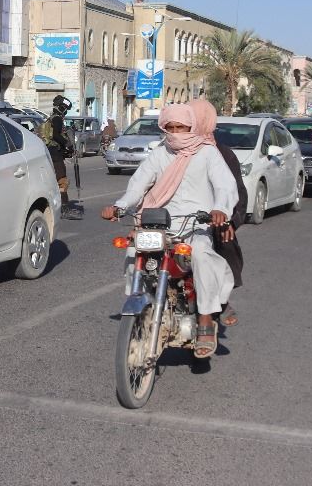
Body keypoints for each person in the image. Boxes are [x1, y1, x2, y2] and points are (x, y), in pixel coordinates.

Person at [100, 100, 238, 359]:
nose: (176, 133)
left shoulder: (207, 153)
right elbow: (139, 183)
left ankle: (206, 320)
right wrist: (119, 207)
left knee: (200, 255)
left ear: (192, 127)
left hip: (196, 223)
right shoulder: (160, 152)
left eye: (182, 127)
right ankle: (139, 304)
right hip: (159, 222)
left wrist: (220, 210)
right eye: (170, 127)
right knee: (134, 252)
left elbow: (225, 186)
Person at [214, 140, 249, 328]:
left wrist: (230, 220)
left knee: (214, 250)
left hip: (208, 219)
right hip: (171, 219)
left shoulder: (219, 154)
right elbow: (145, 185)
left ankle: (219, 302)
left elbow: (233, 191)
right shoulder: (163, 151)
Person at [40, 96, 74, 214]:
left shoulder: (51, 118)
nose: (66, 112)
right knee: (62, 180)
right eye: (65, 109)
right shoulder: (57, 119)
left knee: (54, 179)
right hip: (55, 153)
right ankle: (64, 207)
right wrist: (68, 144)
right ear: (62, 108)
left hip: (50, 152)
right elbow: (55, 135)